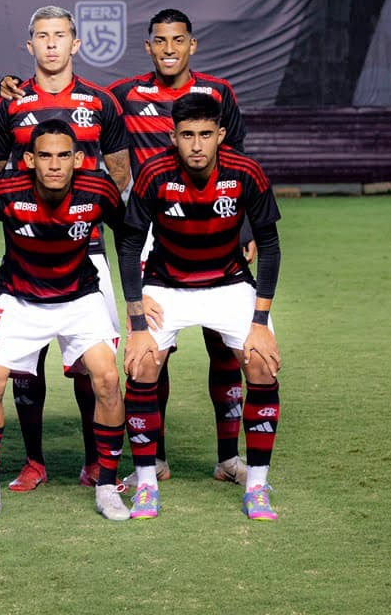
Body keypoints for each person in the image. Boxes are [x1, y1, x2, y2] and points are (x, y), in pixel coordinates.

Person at [0, 7, 252, 485]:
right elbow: (33, 139)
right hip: (146, 232)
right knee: (151, 354)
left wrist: (244, 230)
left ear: (191, 44)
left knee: (223, 346)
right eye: (160, 40)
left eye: (178, 40)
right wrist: (11, 87)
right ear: (149, 47)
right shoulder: (122, 97)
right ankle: (149, 458)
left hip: (210, 229)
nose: (170, 49)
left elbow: (236, 159)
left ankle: (227, 457)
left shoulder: (218, 94)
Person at [115, 92, 282, 521]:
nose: (195, 145)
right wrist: (136, 317)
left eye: (205, 134)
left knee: (262, 362)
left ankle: (257, 487)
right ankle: (147, 484)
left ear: (220, 135)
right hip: (167, 285)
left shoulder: (246, 172)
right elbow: (131, 242)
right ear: (173, 136)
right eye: (187, 135)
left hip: (228, 284)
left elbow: (269, 243)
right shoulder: (154, 173)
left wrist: (260, 320)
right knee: (142, 363)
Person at [0, 5, 130, 495]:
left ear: (76, 43)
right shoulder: (9, 105)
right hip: (28, 253)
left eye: (60, 35)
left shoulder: (102, 102)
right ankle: (34, 461)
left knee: (94, 367)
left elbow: (120, 175)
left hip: (87, 249)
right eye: (42, 36)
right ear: (30, 46)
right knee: (26, 365)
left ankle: (95, 460)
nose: (51, 44)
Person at [0, 120, 130, 522]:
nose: (54, 165)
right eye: (44, 156)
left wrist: (139, 302)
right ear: (28, 160)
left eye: (62, 156)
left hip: (80, 297)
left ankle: (107, 486)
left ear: (77, 159)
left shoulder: (99, 190)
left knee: (107, 379)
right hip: (19, 298)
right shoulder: (5, 191)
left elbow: (128, 234)